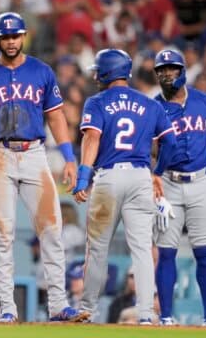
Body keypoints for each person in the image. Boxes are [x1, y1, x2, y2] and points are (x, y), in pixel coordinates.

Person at [0, 12, 87, 322]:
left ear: (23, 37)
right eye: (5, 37)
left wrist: (69, 158)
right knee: (2, 232)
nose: (11, 41)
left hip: (35, 153)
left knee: (52, 229)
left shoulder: (41, 71)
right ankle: (8, 308)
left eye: (16, 36)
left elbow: (55, 116)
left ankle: (57, 304)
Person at [72, 49, 177, 324]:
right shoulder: (151, 104)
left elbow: (92, 139)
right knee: (142, 249)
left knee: (97, 249)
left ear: (107, 71)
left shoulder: (96, 102)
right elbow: (171, 142)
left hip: (109, 179)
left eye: (98, 70)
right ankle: (145, 314)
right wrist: (158, 172)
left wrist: (83, 176)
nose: (95, 75)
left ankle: (87, 310)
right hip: (141, 178)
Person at [152, 48, 206, 327]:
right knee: (166, 252)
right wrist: (154, 182)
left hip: (201, 183)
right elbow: (149, 150)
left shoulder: (205, 102)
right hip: (169, 184)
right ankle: (166, 317)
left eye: (171, 68)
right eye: (162, 69)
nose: (167, 73)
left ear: (183, 70)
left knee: (204, 253)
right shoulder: (154, 106)